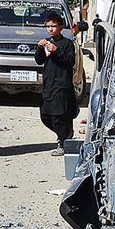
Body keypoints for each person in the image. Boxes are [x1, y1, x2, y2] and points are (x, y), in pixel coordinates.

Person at [35, 12, 78, 156]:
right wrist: (40, 48)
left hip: (62, 83)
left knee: (59, 114)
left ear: (60, 27)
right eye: (48, 26)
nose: (51, 29)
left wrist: (57, 51)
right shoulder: (47, 41)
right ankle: (65, 134)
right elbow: (39, 60)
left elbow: (70, 62)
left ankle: (63, 141)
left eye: (53, 26)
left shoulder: (67, 43)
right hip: (48, 83)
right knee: (45, 114)